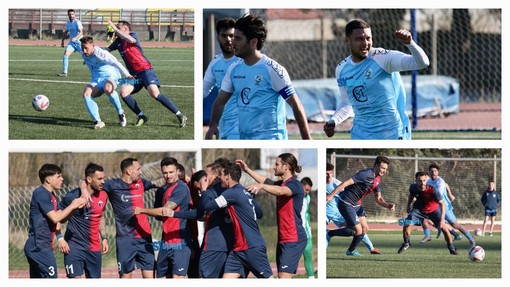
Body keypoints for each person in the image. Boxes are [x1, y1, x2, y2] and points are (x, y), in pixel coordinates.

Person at [205, 14, 311, 140]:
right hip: (245, 138)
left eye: (238, 39)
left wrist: (307, 138)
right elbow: (220, 101)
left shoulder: (273, 70)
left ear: (253, 42)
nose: (232, 42)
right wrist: (213, 125)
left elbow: (295, 104)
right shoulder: (234, 69)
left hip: (271, 138)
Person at [323, 19, 430, 140]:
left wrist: (410, 43)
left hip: (393, 132)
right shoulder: (341, 69)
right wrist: (333, 121)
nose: (365, 43)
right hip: (360, 134)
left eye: (368, 38)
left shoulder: (383, 58)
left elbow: (422, 63)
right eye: (359, 39)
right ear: (347, 41)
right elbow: (347, 102)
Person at [106, 19, 187, 128]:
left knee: (154, 93)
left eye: (118, 28)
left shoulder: (133, 35)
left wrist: (115, 29)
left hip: (145, 70)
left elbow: (130, 39)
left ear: (126, 29)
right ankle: (141, 116)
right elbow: (105, 51)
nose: (116, 30)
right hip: (133, 75)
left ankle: (180, 115)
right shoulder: (118, 42)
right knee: (124, 92)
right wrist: (93, 53)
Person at [239, 153, 307, 278]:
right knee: (284, 277)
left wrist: (262, 186)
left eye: (276, 164)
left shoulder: (295, 185)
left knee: (283, 277)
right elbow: (266, 181)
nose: (274, 167)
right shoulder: (281, 184)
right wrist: (247, 170)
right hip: (283, 238)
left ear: (286, 167)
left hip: (294, 238)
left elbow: (281, 191)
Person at [201, 162, 273, 278]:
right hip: (238, 250)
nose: (220, 178)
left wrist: (204, 190)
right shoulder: (245, 191)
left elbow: (207, 206)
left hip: (251, 247)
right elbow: (259, 213)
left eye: (222, 175)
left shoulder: (231, 192)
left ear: (228, 177)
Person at [170, 159, 234, 278]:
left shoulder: (209, 192)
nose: (205, 178)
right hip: (232, 244)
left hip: (213, 245)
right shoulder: (234, 190)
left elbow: (199, 213)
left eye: (207, 175)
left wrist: (174, 214)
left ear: (217, 174)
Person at [100, 158, 161, 278]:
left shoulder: (141, 183)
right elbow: (85, 181)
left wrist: (179, 178)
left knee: (150, 277)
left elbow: (158, 183)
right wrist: (84, 191)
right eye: (138, 169)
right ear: (128, 171)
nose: (140, 172)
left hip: (145, 237)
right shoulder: (113, 185)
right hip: (125, 239)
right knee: (126, 277)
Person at [24, 164, 86, 278]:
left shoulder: (51, 195)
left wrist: (60, 238)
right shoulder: (41, 193)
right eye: (58, 176)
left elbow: (60, 219)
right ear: (48, 179)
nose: (62, 179)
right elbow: (55, 218)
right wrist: (72, 205)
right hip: (39, 247)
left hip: (42, 246)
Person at [326, 156, 395, 256]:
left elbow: (378, 199)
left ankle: (351, 250)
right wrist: (331, 195)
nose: (384, 171)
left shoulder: (377, 179)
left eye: (386, 169)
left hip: (357, 205)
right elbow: (346, 183)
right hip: (346, 203)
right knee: (357, 230)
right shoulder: (365, 174)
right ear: (376, 165)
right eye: (382, 168)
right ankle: (331, 234)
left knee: (365, 228)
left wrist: (388, 205)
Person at [135, 157, 192, 278]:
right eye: (165, 173)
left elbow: (164, 211)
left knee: (177, 278)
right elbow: (161, 217)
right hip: (165, 242)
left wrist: (142, 211)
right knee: (161, 278)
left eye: (171, 172)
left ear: (177, 171)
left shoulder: (181, 188)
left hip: (179, 242)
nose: (168, 175)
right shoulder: (165, 190)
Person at [58, 163, 109, 278]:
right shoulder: (72, 196)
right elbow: (57, 217)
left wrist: (104, 238)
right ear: (89, 179)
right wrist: (59, 238)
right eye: (100, 179)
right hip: (74, 247)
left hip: (94, 247)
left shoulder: (104, 195)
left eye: (103, 178)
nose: (103, 182)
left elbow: (101, 216)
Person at [397, 171, 458, 255]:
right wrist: (408, 206)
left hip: (434, 211)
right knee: (406, 223)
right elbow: (411, 195)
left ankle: (451, 248)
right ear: (416, 181)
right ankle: (406, 243)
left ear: (427, 180)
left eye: (424, 180)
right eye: (420, 181)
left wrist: (442, 219)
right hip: (418, 210)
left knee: (444, 228)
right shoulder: (413, 187)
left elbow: (442, 204)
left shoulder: (433, 190)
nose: (422, 183)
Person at [79, 36, 131, 129]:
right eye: (83, 48)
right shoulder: (84, 53)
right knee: (86, 94)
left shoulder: (100, 53)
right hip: (97, 79)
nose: (84, 51)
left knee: (108, 89)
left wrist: (127, 75)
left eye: (86, 48)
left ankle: (120, 112)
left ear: (93, 46)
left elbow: (116, 62)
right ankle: (98, 121)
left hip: (111, 75)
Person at [203, 18, 240, 139]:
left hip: (243, 125)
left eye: (232, 36)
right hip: (224, 124)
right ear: (218, 37)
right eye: (224, 36)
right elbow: (203, 90)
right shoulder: (215, 63)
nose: (228, 39)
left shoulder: (243, 61)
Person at [427, 163, 476, 247]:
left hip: (444, 207)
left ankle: (471, 238)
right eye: (432, 171)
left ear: (438, 172)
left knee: (455, 225)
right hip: (435, 207)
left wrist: (449, 194)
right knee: (426, 219)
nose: (433, 172)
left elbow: (437, 194)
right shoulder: (428, 181)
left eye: (435, 171)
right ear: (429, 172)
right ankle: (442, 229)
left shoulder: (440, 182)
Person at [58, 9, 83, 77]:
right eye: (70, 14)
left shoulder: (78, 22)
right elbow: (66, 32)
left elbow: (81, 32)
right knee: (65, 55)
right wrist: (62, 41)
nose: (71, 15)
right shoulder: (68, 23)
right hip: (72, 43)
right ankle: (65, 72)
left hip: (79, 43)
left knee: (87, 57)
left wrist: (75, 38)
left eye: (72, 14)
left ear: (74, 15)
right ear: (68, 15)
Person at [300, 177, 315, 278]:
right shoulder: (293, 196)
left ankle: (312, 278)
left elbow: (306, 214)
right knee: (291, 258)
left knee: (308, 254)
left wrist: (308, 228)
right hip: (293, 230)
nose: (307, 192)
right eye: (306, 190)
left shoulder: (308, 197)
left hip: (305, 230)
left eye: (309, 191)